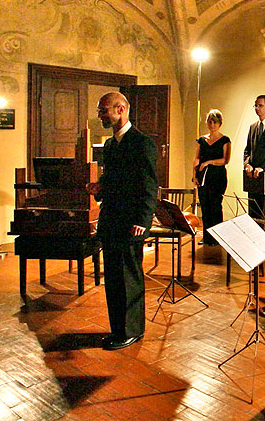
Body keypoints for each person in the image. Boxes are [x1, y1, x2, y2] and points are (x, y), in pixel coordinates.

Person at [86, 91, 158, 350]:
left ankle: (131, 331)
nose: (100, 116)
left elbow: (149, 185)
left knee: (129, 278)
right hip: (112, 220)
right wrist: (99, 188)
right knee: (114, 277)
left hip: (131, 222)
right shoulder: (110, 144)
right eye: (99, 111)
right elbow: (115, 179)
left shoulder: (142, 143)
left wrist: (143, 219)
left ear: (121, 109)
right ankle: (118, 329)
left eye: (103, 110)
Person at [193, 109, 231, 245]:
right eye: (210, 122)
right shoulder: (202, 140)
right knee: (205, 205)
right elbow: (196, 159)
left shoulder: (225, 140)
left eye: (215, 122)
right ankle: (206, 236)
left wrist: (209, 162)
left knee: (215, 205)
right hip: (203, 176)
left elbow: (225, 160)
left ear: (219, 123)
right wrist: (194, 176)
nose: (212, 125)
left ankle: (218, 236)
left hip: (217, 177)